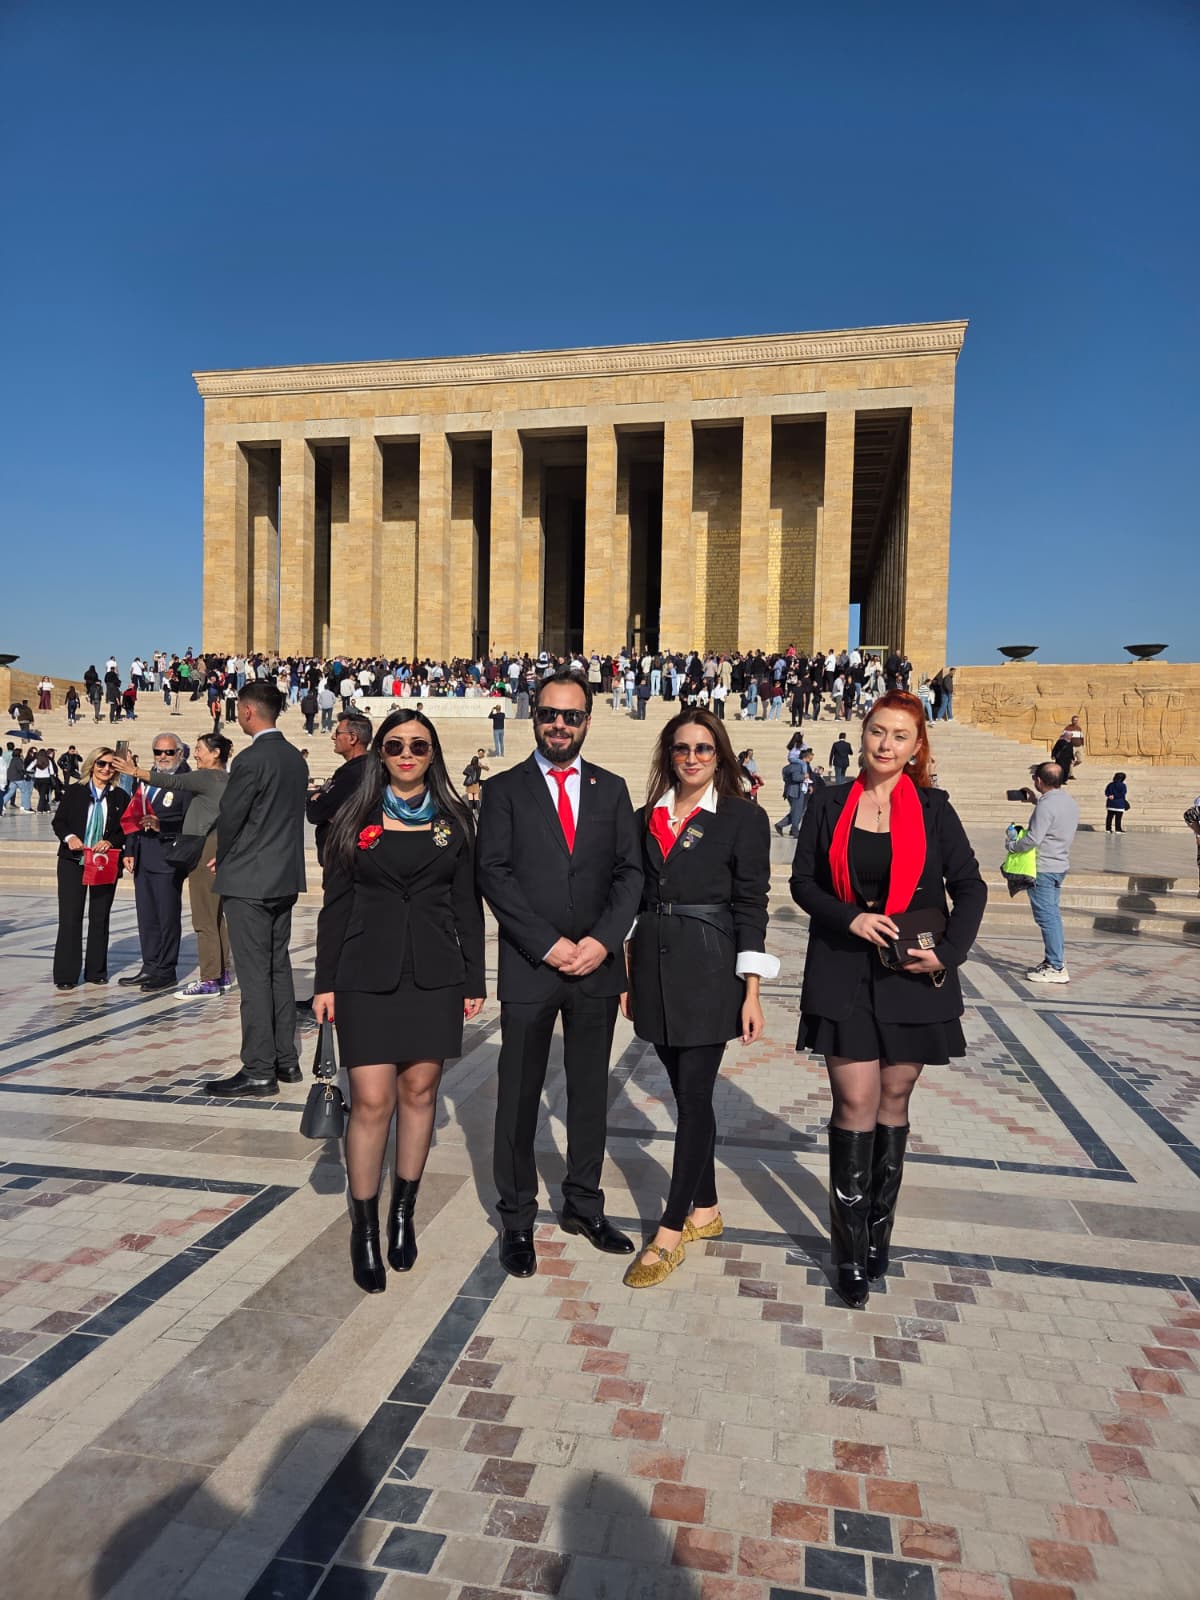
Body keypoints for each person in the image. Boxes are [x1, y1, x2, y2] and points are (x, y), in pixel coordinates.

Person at [790, 690, 986, 1308]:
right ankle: (848, 1251)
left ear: (916, 746)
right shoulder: (828, 802)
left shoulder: (933, 809)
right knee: (855, 1101)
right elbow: (802, 882)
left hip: (912, 976)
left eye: (900, 736)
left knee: (894, 1101)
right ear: (863, 733)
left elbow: (971, 886)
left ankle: (879, 1236)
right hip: (843, 970)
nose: (885, 744)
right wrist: (849, 917)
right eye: (878, 731)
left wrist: (949, 952)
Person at [476, 666, 642, 1278]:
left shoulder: (611, 788)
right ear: (534, 716)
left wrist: (603, 941)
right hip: (532, 965)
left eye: (571, 716)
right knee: (519, 1094)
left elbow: (630, 873)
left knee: (590, 1091)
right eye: (549, 714)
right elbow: (493, 873)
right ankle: (517, 1216)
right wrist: (547, 945)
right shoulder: (504, 789)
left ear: (587, 722)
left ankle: (583, 1204)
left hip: (595, 966)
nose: (559, 725)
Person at [313, 711, 486, 1292]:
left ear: (433, 753)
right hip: (364, 972)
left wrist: (474, 979)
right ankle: (364, 1228)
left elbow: (467, 905)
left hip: (434, 974)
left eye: (418, 745)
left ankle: (402, 1214)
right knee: (371, 1100)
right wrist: (325, 982)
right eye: (395, 745)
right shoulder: (354, 817)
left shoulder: (454, 820)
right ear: (379, 754)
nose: (407, 754)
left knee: (420, 1093)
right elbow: (336, 905)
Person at [621, 710, 775, 1288]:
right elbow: (632, 897)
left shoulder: (742, 817)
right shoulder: (646, 817)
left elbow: (752, 904)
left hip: (711, 968)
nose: (692, 758)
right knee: (686, 1091)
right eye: (682, 748)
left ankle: (670, 1229)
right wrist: (628, 973)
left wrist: (752, 990)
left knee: (692, 1098)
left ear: (720, 755)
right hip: (654, 967)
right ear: (669, 755)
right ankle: (706, 1209)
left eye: (703, 749)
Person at [206, 682, 308, 1096]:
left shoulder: (251, 759)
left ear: (248, 711)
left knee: (253, 977)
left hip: (249, 878)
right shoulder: (294, 758)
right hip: (283, 876)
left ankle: (259, 1068)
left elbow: (232, 816)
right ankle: (286, 1060)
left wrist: (223, 855)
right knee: (277, 968)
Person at [113, 735, 234, 998]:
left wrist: (133, 770)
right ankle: (220, 973)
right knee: (213, 916)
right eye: (157, 751)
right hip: (199, 848)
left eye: (199, 750)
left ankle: (209, 979)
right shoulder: (224, 779)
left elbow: (173, 782)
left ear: (215, 753)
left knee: (204, 919)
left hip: (195, 851)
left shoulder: (205, 777)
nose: (195, 754)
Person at [118, 733, 194, 992]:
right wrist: (130, 849)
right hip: (143, 855)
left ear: (180, 753)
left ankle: (166, 969)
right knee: (146, 916)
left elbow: (190, 822)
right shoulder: (146, 779)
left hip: (167, 857)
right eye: (158, 752)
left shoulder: (186, 782)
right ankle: (150, 965)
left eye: (169, 752)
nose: (163, 757)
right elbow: (134, 815)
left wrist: (163, 826)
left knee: (166, 916)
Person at [51, 746, 131, 989]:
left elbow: (126, 829)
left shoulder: (120, 796)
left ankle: (96, 971)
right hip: (73, 860)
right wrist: (70, 837)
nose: (105, 769)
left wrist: (111, 842)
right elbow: (59, 822)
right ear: (92, 765)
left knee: (100, 916)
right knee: (70, 917)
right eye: (101, 764)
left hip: (104, 862)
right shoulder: (75, 791)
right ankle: (66, 975)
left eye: (110, 765)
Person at [1009, 761, 1079, 984]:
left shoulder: (1046, 806)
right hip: (1059, 865)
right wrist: (1035, 801)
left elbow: (1033, 839)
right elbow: (1052, 815)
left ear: (1038, 780)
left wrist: (1012, 845)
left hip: (1044, 868)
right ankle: (1053, 961)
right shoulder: (1067, 801)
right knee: (1052, 916)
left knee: (1047, 918)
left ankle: (1056, 966)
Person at [306, 713, 373, 868]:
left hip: (344, 861)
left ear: (352, 738)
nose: (333, 738)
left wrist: (315, 798)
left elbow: (317, 812)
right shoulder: (365, 768)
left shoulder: (353, 774)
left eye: (337, 733)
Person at [775, 744, 811, 838]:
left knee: (797, 812)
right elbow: (795, 777)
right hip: (795, 792)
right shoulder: (797, 766)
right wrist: (804, 776)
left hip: (795, 791)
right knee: (797, 812)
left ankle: (780, 825)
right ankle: (795, 831)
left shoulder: (795, 765)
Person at [1051, 715, 1084, 782]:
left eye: (1076, 720)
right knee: (1071, 760)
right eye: (1074, 720)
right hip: (1071, 746)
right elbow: (1063, 736)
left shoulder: (1079, 728)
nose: (1075, 721)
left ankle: (1069, 768)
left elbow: (1082, 737)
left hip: (1079, 746)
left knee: (1080, 760)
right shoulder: (1067, 728)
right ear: (1072, 720)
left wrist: (1082, 744)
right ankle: (1070, 774)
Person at [462, 748, 488, 815]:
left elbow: (464, 773)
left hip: (470, 784)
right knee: (476, 798)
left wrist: (469, 771)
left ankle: (470, 812)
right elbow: (479, 775)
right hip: (476, 784)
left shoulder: (469, 766)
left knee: (470, 798)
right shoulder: (479, 768)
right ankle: (479, 812)